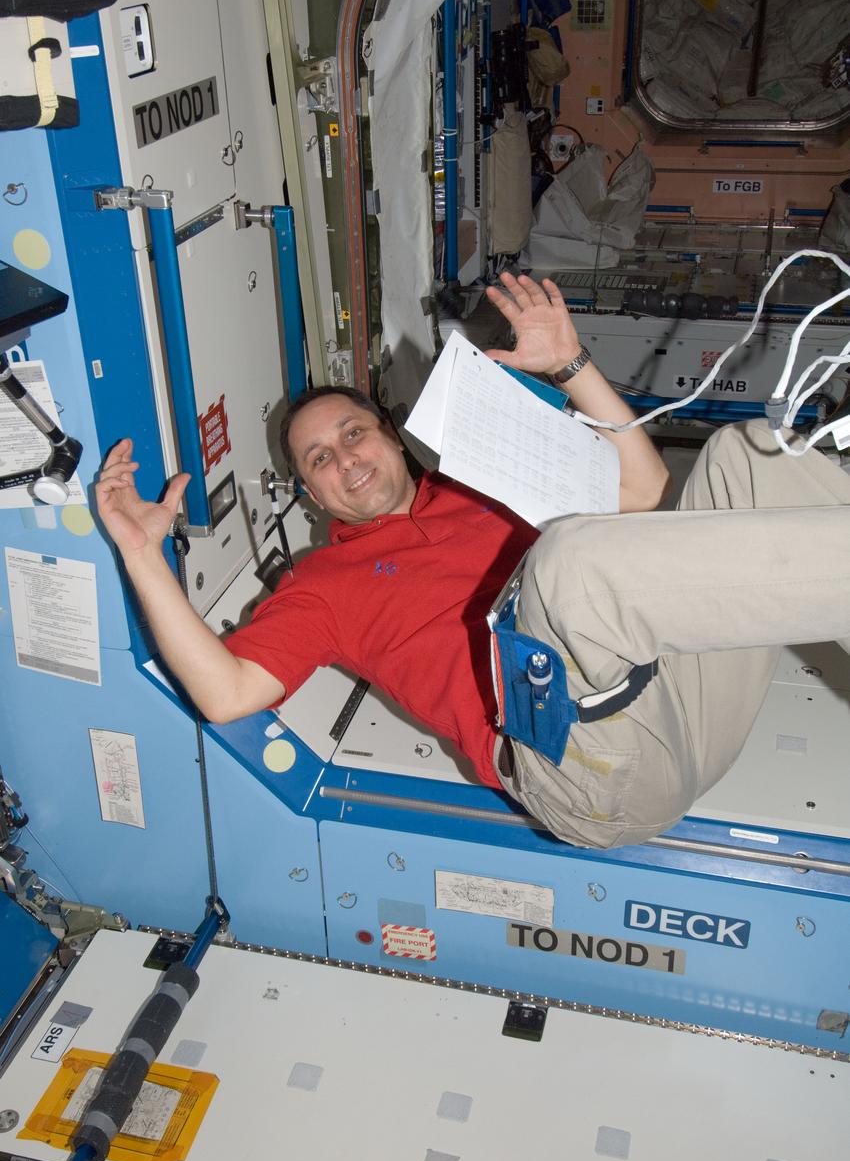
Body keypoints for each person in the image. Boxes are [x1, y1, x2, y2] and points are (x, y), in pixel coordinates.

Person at [96, 274, 850, 848]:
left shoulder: (480, 479)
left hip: (682, 697)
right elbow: (226, 693)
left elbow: (644, 486)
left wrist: (572, 367)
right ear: (312, 495)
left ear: (392, 436)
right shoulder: (322, 586)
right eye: (318, 458)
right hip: (585, 770)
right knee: (567, 565)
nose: (344, 459)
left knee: (748, 452)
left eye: (353, 434)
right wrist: (142, 553)